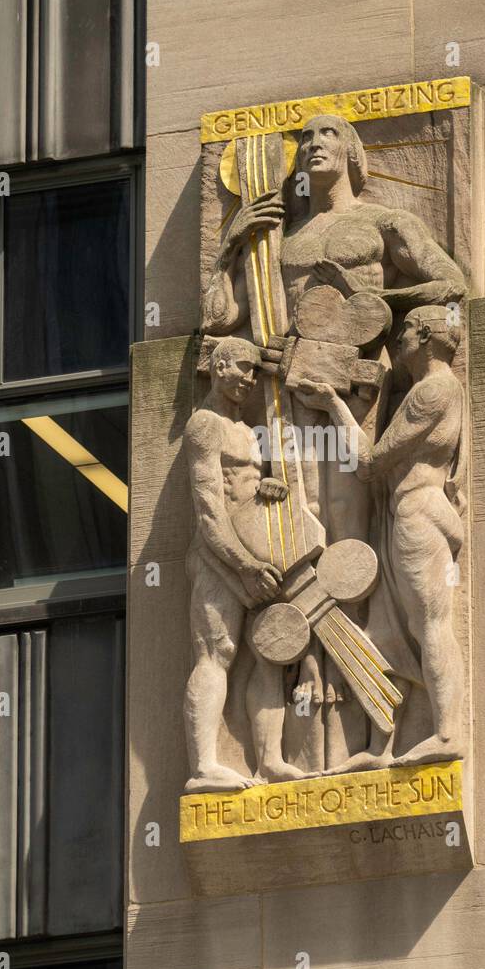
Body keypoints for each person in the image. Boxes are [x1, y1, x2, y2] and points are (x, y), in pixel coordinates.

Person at [297, 305, 466, 768]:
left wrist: (333, 404)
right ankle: (389, 739)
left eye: (408, 329)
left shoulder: (428, 393)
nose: (399, 338)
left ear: (427, 334)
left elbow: (370, 462)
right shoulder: (447, 390)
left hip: (416, 515)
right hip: (422, 513)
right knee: (403, 626)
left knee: (430, 626)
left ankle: (447, 734)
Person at [182, 337, 307, 790]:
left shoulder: (248, 429)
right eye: (242, 368)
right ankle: (203, 767)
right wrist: (243, 564)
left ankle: (269, 759)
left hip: (257, 555)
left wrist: (271, 484)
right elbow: (209, 509)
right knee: (217, 653)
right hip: (220, 557)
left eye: (255, 371)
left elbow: (249, 489)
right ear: (217, 367)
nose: (250, 379)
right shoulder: (205, 424)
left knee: (270, 653)